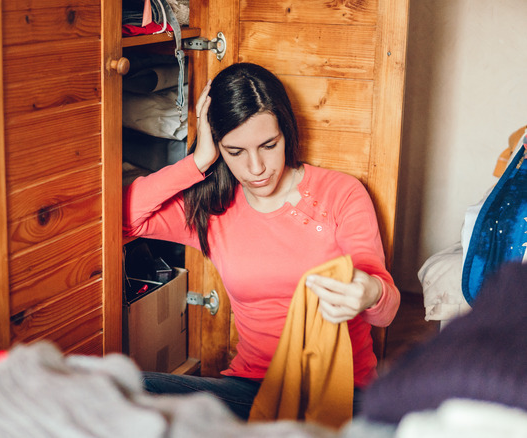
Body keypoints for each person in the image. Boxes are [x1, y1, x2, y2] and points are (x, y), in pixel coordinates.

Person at [122, 62, 400, 420]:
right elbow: (126, 219)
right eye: (235, 151)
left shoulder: (340, 193)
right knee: (128, 387)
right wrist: (198, 161)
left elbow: (387, 311)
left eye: (268, 145)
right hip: (252, 390)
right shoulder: (210, 209)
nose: (255, 168)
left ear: (286, 132)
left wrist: (371, 292)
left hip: (343, 392)